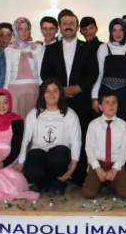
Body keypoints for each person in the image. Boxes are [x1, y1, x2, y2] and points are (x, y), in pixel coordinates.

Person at [41, 10, 98, 186]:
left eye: (71, 23)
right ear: (60, 26)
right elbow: (45, 73)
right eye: (64, 24)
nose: (68, 27)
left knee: (80, 135)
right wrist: (60, 89)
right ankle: (57, 175)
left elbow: (93, 72)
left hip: (81, 100)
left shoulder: (88, 48)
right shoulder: (51, 49)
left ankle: (79, 175)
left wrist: (79, 88)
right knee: (58, 135)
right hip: (57, 101)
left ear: (77, 27)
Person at [17, 78, 82, 195]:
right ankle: (45, 181)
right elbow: (24, 139)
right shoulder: (34, 113)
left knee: (57, 158)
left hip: (60, 154)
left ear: (60, 93)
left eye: (55, 91)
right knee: (31, 173)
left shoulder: (70, 114)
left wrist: (73, 166)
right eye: (47, 91)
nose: (51, 94)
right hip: (39, 151)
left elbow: (76, 142)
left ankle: (59, 182)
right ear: (42, 94)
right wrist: (21, 161)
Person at [82, 91, 126, 200]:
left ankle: (111, 182)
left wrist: (115, 169)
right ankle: (102, 181)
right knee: (88, 194)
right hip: (99, 163)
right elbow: (89, 149)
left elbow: (124, 150)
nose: (111, 105)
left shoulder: (123, 125)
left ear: (117, 105)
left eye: (114, 102)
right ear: (100, 107)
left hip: (116, 162)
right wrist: (97, 168)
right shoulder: (93, 125)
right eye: (107, 102)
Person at [91, 18, 126, 123]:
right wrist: (95, 97)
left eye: (120, 30)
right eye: (114, 30)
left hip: (125, 95)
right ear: (110, 31)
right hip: (105, 93)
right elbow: (99, 73)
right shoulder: (103, 47)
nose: (117, 33)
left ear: (125, 31)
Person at [4, 17, 44, 119]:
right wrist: (5, 93)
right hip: (14, 90)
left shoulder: (38, 48)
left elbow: (40, 71)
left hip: (34, 89)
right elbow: (7, 73)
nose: (24, 32)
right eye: (20, 29)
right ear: (15, 30)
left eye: (27, 29)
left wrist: (42, 90)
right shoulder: (8, 50)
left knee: (34, 119)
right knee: (16, 120)